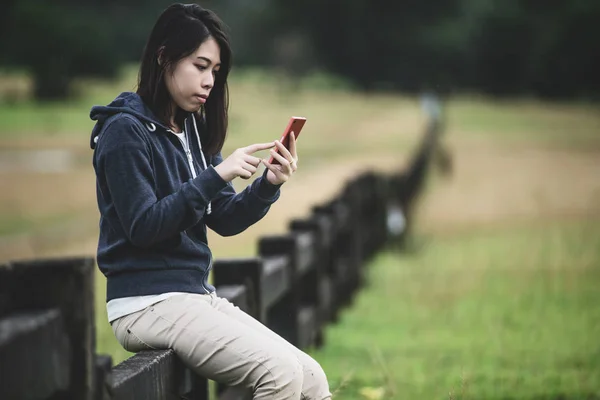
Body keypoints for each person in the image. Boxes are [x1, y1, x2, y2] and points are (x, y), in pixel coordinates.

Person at [89, 3, 331, 399]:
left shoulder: (191, 131)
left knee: (312, 377)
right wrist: (216, 174)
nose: (209, 82)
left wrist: (268, 184)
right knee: (280, 374)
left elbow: (225, 218)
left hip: (193, 295)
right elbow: (143, 226)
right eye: (200, 66)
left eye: (215, 72)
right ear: (164, 57)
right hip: (145, 303)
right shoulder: (124, 132)